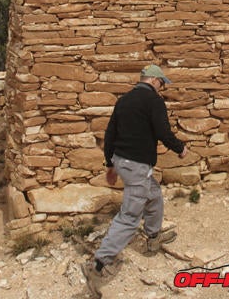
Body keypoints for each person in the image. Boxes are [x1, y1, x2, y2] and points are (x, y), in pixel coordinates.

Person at [81, 64, 187, 298]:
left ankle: (152, 236)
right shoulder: (154, 102)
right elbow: (162, 131)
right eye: (162, 84)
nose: (162, 89)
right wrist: (180, 148)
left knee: (154, 194)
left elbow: (110, 134)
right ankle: (99, 262)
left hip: (122, 161)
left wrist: (110, 164)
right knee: (130, 215)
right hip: (137, 165)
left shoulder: (124, 100)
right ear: (155, 81)